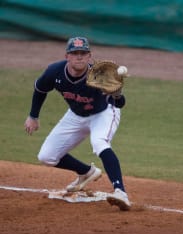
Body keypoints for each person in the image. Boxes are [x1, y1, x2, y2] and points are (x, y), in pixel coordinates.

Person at [24, 36, 131, 211]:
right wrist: (33, 116)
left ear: (89, 56)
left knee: (99, 143)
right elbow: (40, 89)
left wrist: (117, 94)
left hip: (103, 113)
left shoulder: (100, 75)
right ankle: (87, 172)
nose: (79, 57)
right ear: (67, 56)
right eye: (75, 53)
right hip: (75, 115)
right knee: (46, 156)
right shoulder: (54, 72)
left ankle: (120, 192)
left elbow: (120, 104)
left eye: (83, 53)